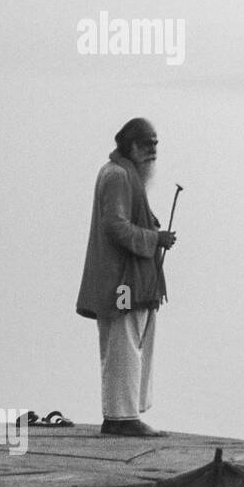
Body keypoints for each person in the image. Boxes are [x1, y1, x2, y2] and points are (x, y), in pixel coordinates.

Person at [76, 118, 176, 437]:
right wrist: (154, 238)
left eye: (155, 144)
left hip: (130, 277)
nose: (152, 151)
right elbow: (115, 226)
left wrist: (152, 230)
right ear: (129, 146)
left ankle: (125, 413)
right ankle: (121, 418)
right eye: (146, 145)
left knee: (133, 341)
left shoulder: (124, 173)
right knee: (123, 343)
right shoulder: (118, 175)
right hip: (121, 281)